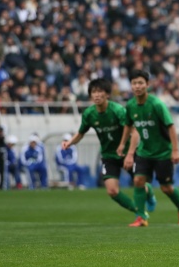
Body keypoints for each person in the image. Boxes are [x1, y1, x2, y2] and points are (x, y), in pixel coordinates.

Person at [63, 78, 150, 222]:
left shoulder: (118, 111)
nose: (96, 95)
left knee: (140, 183)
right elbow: (81, 133)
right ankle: (139, 211)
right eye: (93, 92)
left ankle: (149, 198)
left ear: (107, 94)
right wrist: (70, 142)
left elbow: (134, 132)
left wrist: (130, 154)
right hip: (109, 155)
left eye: (99, 92)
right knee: (112, 191)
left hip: (126, 153)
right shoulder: (89, 114)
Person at [118, 69, 179, 227]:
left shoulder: (157, 104)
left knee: (166, 188)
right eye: (134, 83)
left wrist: (175, 150)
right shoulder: (130, 105)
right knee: (138, 180)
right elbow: (128, 126)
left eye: (140, 83)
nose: (137, 86)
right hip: (144, 151)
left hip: (163, 152)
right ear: (131, 85)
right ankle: (141, 217)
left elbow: (171, 126)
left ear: (147, 85)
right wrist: (124, 147)